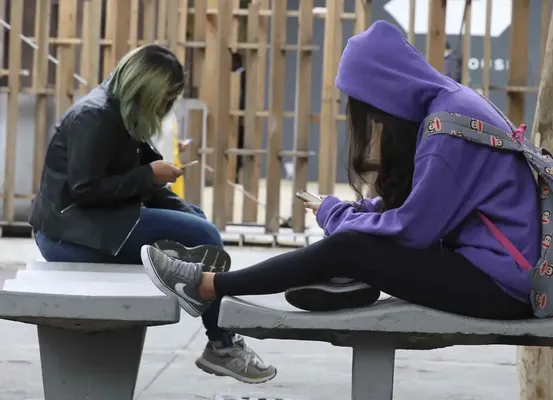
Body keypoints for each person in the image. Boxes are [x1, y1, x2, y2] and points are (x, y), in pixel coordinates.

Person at [139, 21, 538, 321]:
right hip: (495, 267)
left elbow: (413, 230)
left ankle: (207, 287)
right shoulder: (455, 105)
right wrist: (360, 212)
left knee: (348, 247)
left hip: (504, 285)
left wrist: (337, 216)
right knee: (353, 245)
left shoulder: (446, 129)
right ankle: (347, 275)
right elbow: (438, 200)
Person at [29, 44, 276, 384]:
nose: (164, 108)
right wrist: (150, 176)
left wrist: (179, 205)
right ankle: (222, 343)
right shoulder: (95, 116)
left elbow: (147, 185)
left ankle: (196, 296)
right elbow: (86, 190)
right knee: (205, 238)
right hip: (68, 233)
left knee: (198, 222)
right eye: (163, 100)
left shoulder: (120, 113)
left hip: (97, 222)